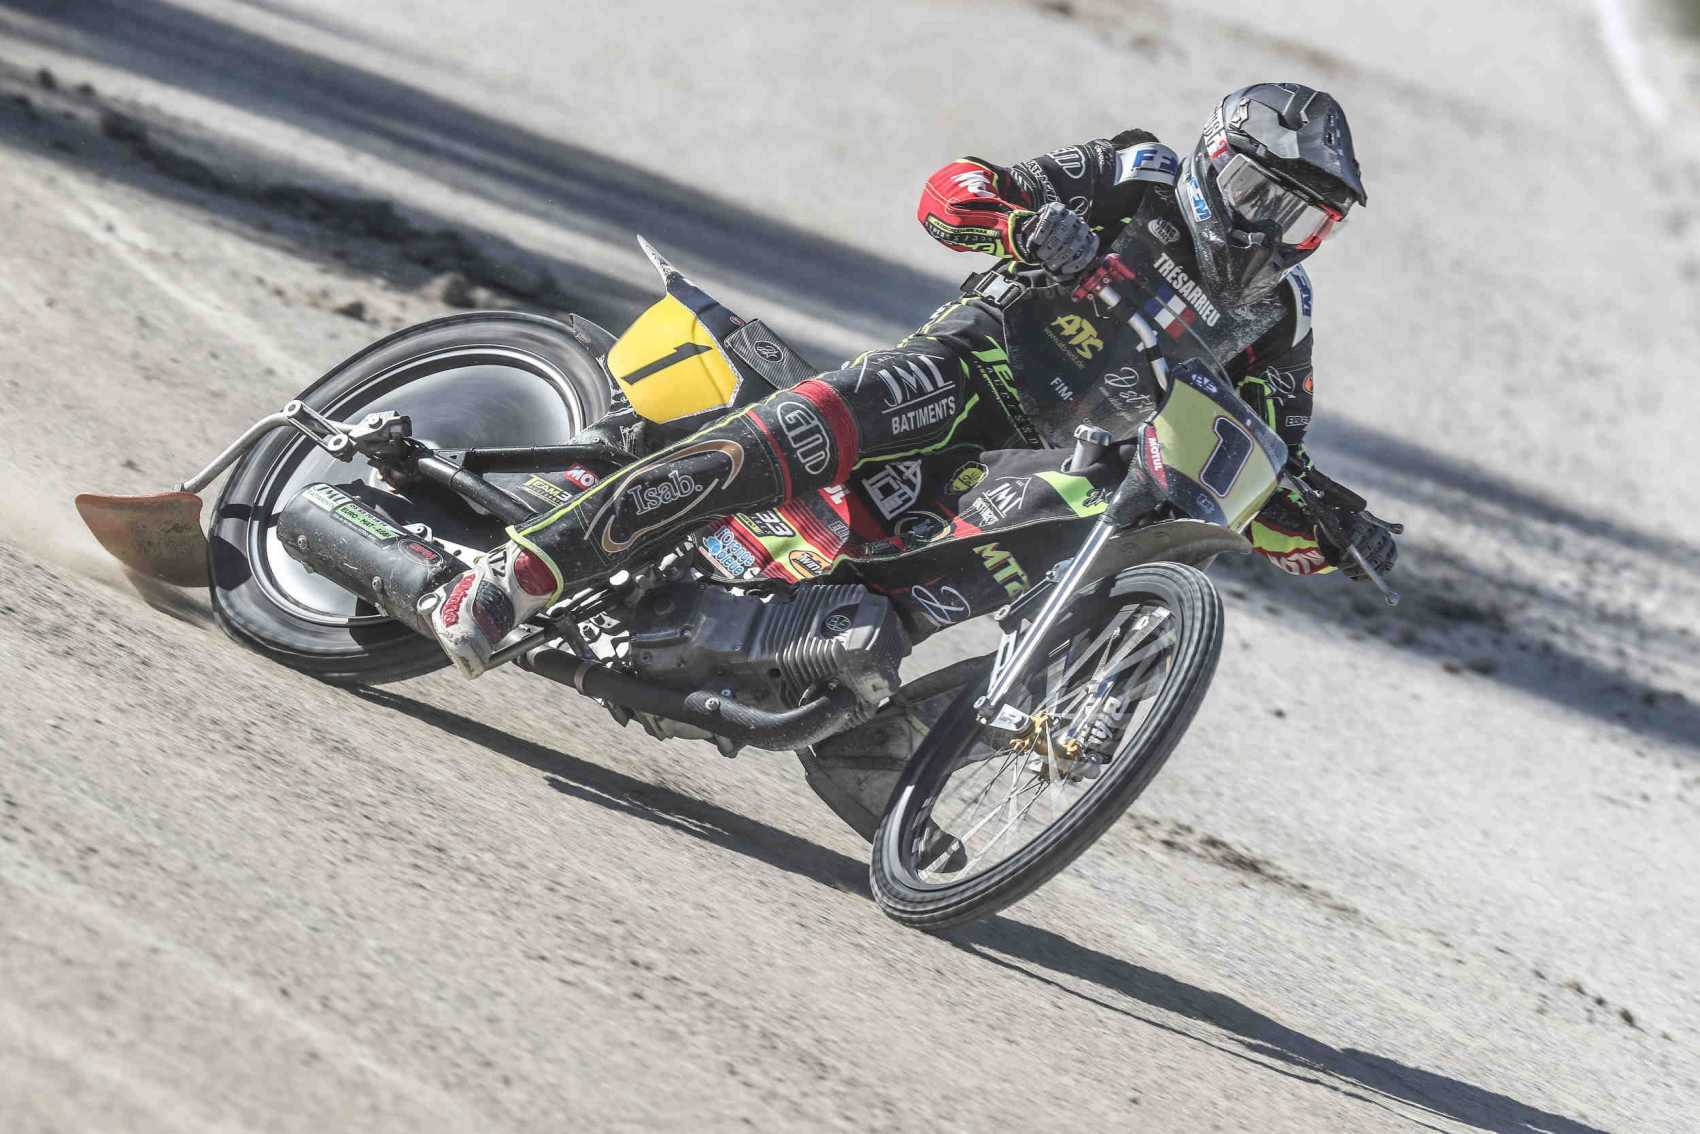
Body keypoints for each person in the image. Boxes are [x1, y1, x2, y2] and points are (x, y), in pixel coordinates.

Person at [427, 82, 1399, 677]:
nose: (1273, 229)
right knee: (800, 432)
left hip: (1048, 459)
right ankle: (520, 572)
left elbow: (1254, 458)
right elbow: (953, 191)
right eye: (1261, 195)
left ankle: (897, 728)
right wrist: (1019, 225)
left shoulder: (1280, 316)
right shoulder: (1136, 175)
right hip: (968, 368)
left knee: (1022, 563)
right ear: (1215, 161)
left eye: (1305, 218)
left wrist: (1328, 530)